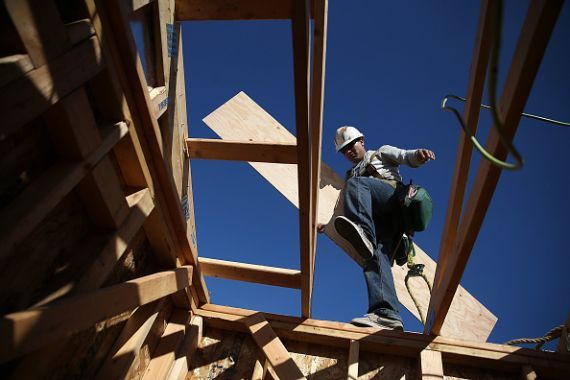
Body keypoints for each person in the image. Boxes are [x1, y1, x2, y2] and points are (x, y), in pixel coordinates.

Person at [318, 126, 435, 330]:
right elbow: (341, 208)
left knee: (355, 185)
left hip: (392, 200)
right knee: (374, 257)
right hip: (381, 223)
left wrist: (419, 155)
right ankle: (386, 314)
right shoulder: (352, 175)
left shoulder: (380, 153)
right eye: (344, 150)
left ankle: (364, 233)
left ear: (361, 141)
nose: (348, 152)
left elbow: (405, 156)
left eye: (350, 145)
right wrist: (327, 226)